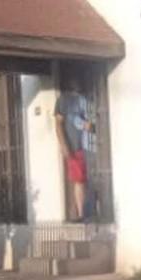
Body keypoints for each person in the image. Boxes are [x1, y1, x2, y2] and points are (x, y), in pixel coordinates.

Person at [55, 74, 94, 222]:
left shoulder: (85, 99)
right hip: (74, 147)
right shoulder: (63, 100)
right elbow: (58, 124)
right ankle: (81, 213)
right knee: (79, 180)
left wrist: (89, 126)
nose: (76, 82)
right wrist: (64, 145)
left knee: (86, 179)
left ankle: (84, 212)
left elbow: (90, 122)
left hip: (87, 145)